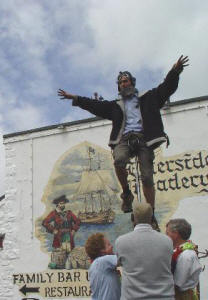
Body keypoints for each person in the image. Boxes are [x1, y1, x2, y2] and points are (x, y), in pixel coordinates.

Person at [58, 55, 190, 230]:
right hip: (124, 139)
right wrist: (75, 98)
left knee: (147, 177)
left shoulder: (149, 97)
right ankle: (127, 193)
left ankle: (151, 215)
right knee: (118, 159)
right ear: (119, 87)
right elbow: (95, 106)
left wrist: (175, 71)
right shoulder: (115, 106)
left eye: (126, 81)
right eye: (121, 83)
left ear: (132, 83)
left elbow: (167, 87)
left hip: (144, 139)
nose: (124, 84)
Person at [115, 202, 174, 299]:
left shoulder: (121, 241)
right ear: (152, 218)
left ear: (132, 218)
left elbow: (119, 263)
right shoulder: (167, 241)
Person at [166, 219, 201, 300]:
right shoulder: (179, 251)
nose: (165, 236)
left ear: (175, 234)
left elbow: (178, 283)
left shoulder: (186, 255)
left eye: (167, 233)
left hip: (182, 296)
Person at [42, 195, 80, 267]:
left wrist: (74, 230)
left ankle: (68, 266)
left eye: (63, 203)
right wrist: (53, 230)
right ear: (57, 204)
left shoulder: (69, 213)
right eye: (60, 203)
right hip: (59, 236)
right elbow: (45, 222)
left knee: (70, 254)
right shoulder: (54, 213)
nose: (62, 205)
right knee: (59, 255)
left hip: (69, 235)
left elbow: (78, 221)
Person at [85, 233, 120, 300]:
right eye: (108, 245)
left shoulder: (96, 264)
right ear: (102, 250)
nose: (112, 246)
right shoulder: (103, 261)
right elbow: (124, 258)